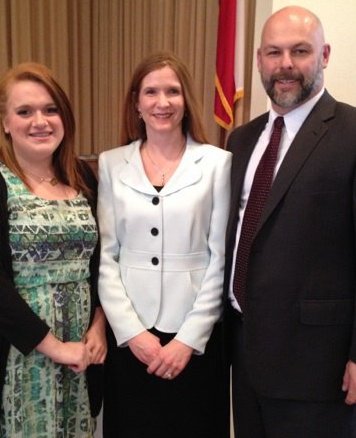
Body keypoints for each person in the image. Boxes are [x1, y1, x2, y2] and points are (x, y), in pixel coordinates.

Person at [224, 5, 356, 437]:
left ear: (324, 54)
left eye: (300, 51)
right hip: (245, 349)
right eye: (274, 53)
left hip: (317, 365)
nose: (286, 65)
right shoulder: (241, 139)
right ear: (259, 60)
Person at [0, 62, 106, 437]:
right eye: (25, 111)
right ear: (5, 122)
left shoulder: (82, 176)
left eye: (51, 109)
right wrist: (54, 348)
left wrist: (98, 326)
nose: (40, 121)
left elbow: (101, 263)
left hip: (77, 360)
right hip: (11, 360)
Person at [97, 51, 231, 437]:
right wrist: (131, 333)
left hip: (194, 338)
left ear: (186, 100)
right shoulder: (111, 163)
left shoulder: (217, 164)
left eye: (173, 91)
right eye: (151, 92)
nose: (162, 102)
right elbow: (107, 257)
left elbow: (219, 259)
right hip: (132, 336)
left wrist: (188, 340)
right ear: (136, 102)